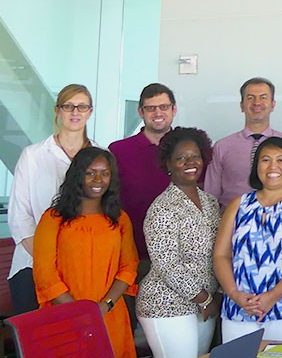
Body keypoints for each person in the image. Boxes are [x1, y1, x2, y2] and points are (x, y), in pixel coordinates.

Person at [32, 147, 139, 357]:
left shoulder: (120, 219)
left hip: (108, 314)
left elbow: (129, 267)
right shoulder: (54, 219)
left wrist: (104, 306)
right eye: (90, 172)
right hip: (63, 315)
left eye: (105, 173)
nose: (98, 179)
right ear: (77, 175)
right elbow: (45, 275)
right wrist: (79, 313)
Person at [213, 137, 282, 343]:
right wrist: (235, 294)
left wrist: (272, 296)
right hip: (239, 311)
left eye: (281, 160)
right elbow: (221, 255)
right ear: (256, 167)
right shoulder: (239, 204)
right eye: (265, 160)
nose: (273, 166)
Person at [7, 84, 95, 315]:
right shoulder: (33, 156)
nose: (75, 112)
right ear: (57, 111)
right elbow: (20, 217)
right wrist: (50, 262)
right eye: (68, 106)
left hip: (86, 269)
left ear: (90, 112)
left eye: (82, 106)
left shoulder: (101, 157)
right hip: (33, 268)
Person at [136, 127, 220, 357]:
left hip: (203, 304)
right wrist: (204, 299)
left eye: (195, 156)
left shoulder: (210, 203)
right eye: (181, 158)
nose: (190, 162)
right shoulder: (163, 207)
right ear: (169, 165)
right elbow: (167, 264)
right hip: (166, 305)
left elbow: (219, 253)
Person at [109, 83, 178, 328]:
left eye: (163, 107)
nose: (157, 113)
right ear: (140, 112)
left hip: (178, 261)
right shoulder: (119, 151)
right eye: (150, 108)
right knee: (124, 331)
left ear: (174, 109)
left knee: (171, 336)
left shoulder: (188, 149)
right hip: (131, 257)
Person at [206, 77, 282, 207]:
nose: (257, 103)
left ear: (273, 104)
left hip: (280, 221)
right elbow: (210, 195)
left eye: (263, 97)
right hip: (233, 222)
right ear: (242, 105)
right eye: (250, 98)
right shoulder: (222, 147)